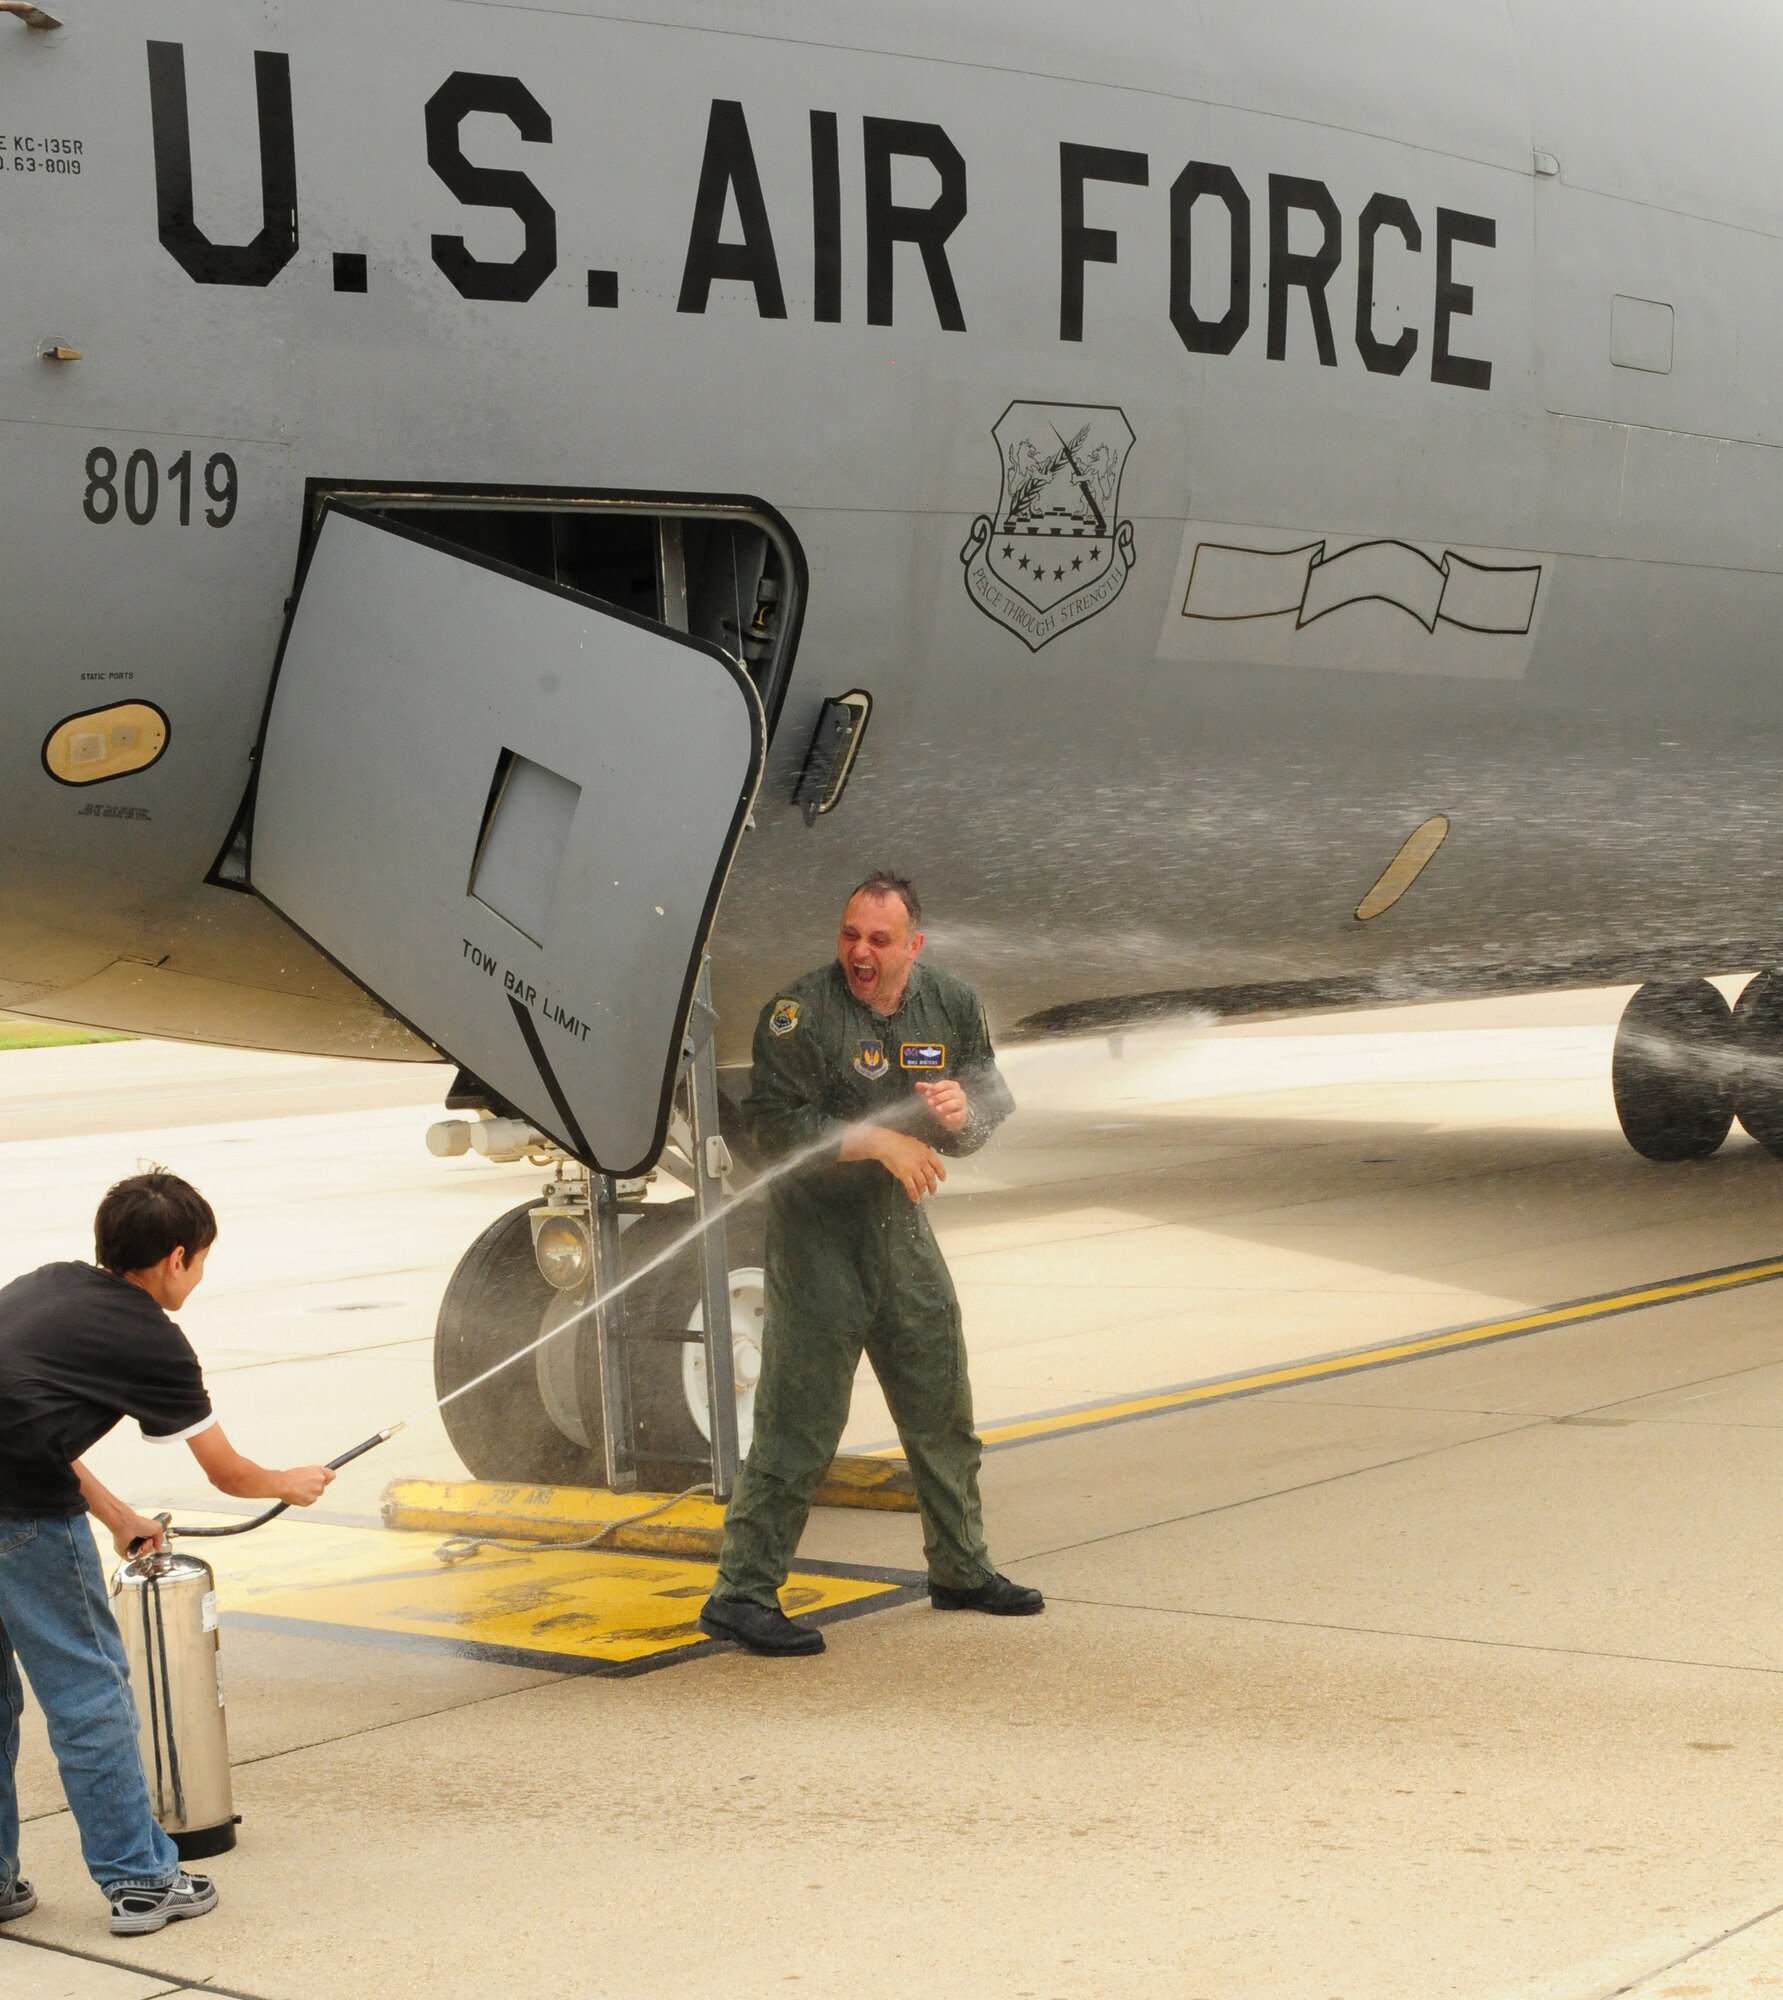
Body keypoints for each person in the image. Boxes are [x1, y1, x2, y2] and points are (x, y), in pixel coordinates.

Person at [700, 872, 1043, 1656]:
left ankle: (960, 1569)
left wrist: (964, 1116)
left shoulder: (949, 1003)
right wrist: (877, 1139)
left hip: (901, 1232)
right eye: (849, 934)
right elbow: (773, 1132)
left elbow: (987, 1099)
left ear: (911, 946)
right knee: (799, 1422)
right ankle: (742, 1594)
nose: (859, 950)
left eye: (878, 939)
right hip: (819, 1235)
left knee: (940, 1406)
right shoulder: (798, 1014)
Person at [0, 1171, 334, 1937]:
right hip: (17, 1518)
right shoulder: (151, 1339)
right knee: (89, 1697)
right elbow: (227, 1472)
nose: (200, 1277)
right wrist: (291, 1481)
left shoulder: (45, 1287)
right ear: (175, 1258)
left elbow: (23, 1412)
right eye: (203, 1260)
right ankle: (142, 1881)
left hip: (11, 1484)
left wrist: (117, 1515)